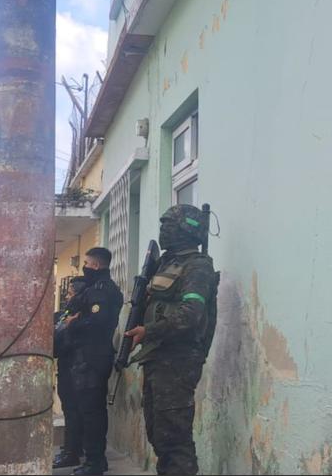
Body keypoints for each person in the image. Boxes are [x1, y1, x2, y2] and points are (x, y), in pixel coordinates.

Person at [124, 204, 219, 476]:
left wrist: (149, 331)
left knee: (174, 438)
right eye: (163, 224)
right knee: (158, 433)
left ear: (186, 230)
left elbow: (190, 315)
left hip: (178, 362)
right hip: (158, 358)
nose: (164, 230)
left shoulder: (198, 266)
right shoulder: (166, 263)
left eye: (169, 225)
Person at [64, 247, 123, 475]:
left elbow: (98, 322)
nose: (85, 267)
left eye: (87, 263)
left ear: (96, 265)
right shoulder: (97, 288)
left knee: (92, 413)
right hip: (90, 357)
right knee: (90, 411)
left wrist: (74, 324)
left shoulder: (101, 290)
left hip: (93, 357)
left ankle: (94, 463)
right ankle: (94, 461)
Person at [53, 277, 88, 470]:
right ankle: (72, 448)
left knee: (74, 412)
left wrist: (66, 326)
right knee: (71, 411)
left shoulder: (79, 317)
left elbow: (64, 341)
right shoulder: (67, 314)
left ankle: (71, 452)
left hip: (75, 369)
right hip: (67, 367)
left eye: (70, 293)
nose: (67, 297)